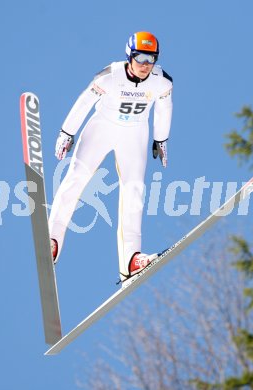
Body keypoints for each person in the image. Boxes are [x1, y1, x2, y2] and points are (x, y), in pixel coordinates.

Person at [48, 31, 173, 284]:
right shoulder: (112, 75)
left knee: (134, 190)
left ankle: (131, 260)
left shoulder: (162, 82)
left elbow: (164, 109)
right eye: (139, 58)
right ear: (129, 56)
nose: (144, 66)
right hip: (102, 128)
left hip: (135, 133)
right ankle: (52, 239)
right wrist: (66, 132)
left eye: (151, 60)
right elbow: (84, 101)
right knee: (76, 178)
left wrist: (161, 139)